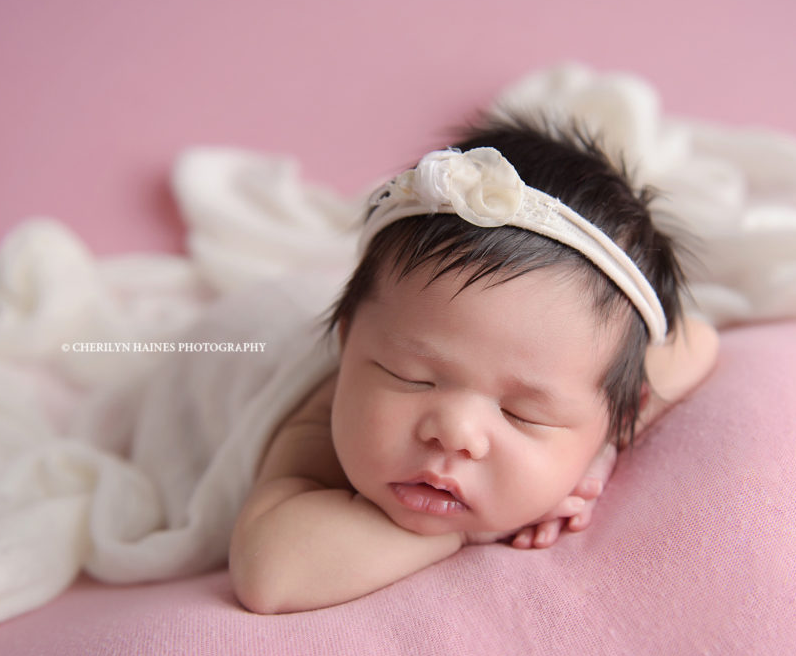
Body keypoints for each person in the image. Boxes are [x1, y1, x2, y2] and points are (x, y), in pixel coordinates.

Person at [229, 115, 719, 615]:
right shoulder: (320, 426)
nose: (456, 432)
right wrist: (475, 531)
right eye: (412, 378)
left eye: (523, 414)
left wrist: (596, 447)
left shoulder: (589, 377)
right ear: (347, 337)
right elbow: (271, 573)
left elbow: (697, 341)